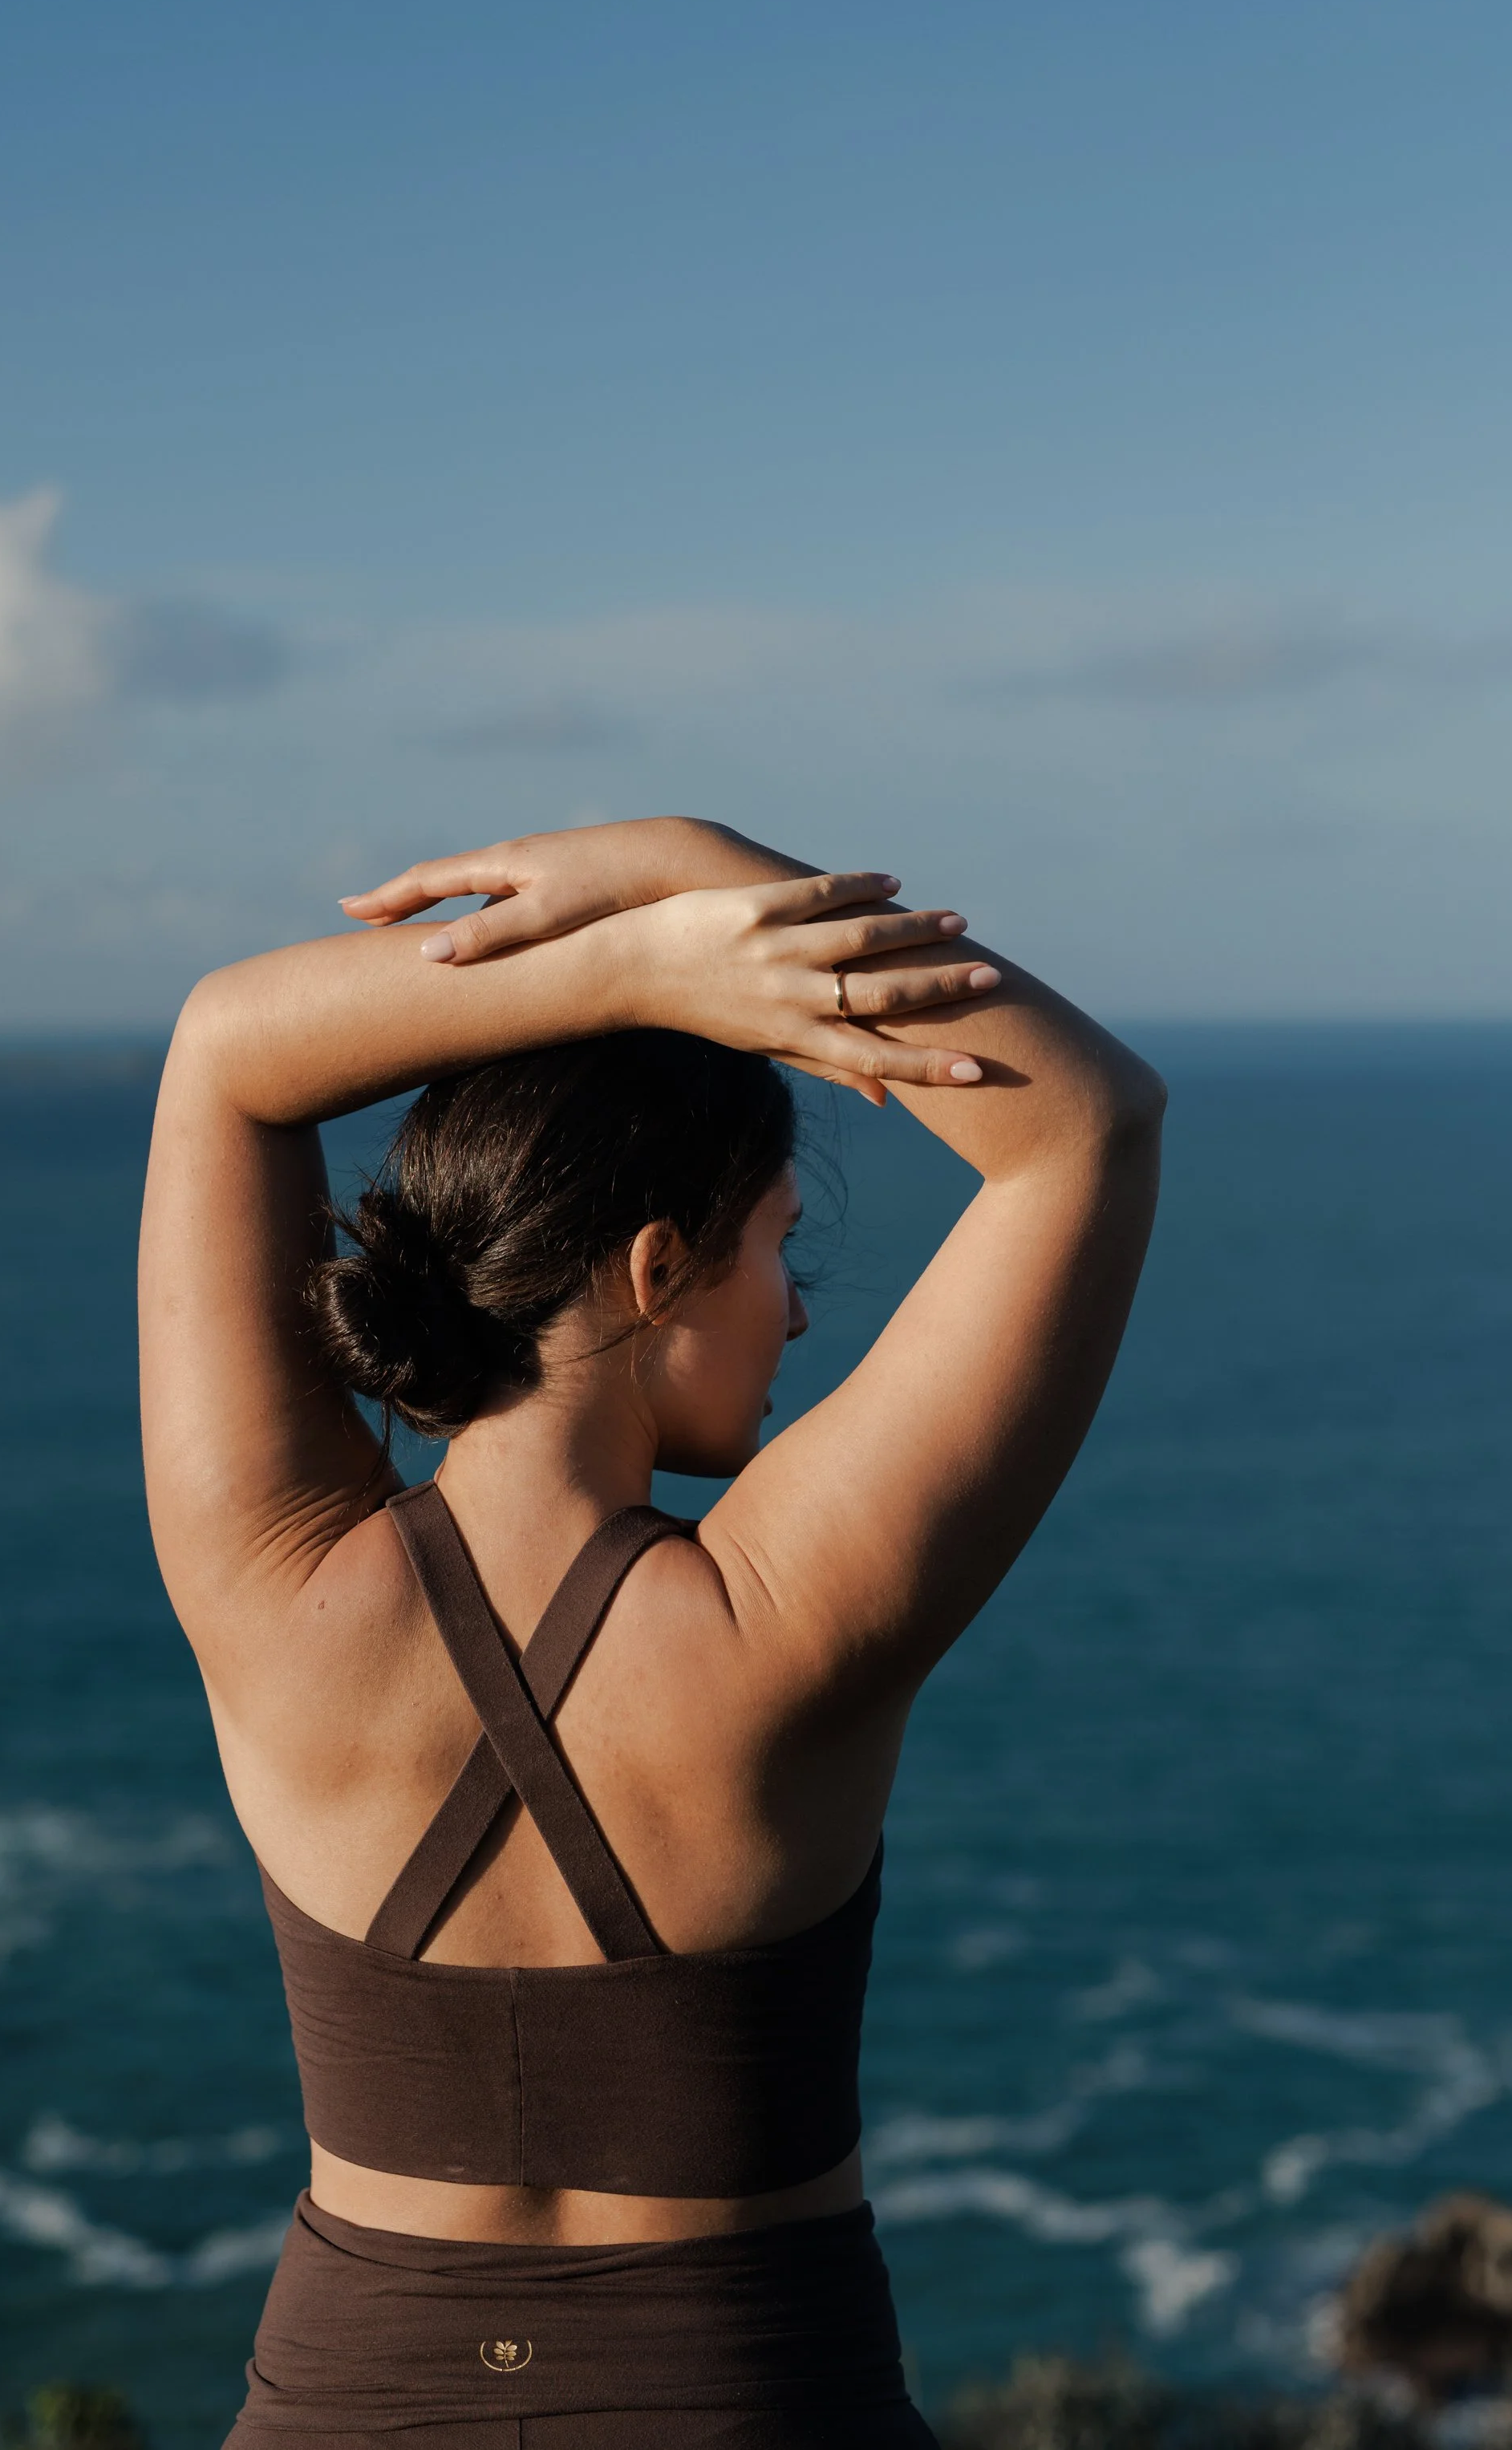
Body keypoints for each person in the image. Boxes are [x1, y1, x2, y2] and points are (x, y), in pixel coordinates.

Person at [139, 816, 1165, 2448]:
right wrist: (685, 864)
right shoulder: (784, 1621)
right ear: (655, 1266)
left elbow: (226, 1057)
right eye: (776, 1245)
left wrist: (643, 950)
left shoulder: (270, 1585)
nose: (802, 1310)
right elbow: (1090, 1123)